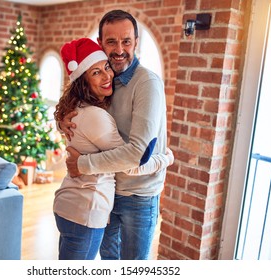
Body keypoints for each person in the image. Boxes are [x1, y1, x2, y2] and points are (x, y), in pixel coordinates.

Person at [59, 10, 170, 260]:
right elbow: (79, 111)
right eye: (111, 41)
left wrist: (82, 164)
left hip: (138, 196)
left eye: (126, 41)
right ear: (100, 43)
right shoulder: (103, 82)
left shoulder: (147, 84)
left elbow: (137, 154)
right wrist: (62, 121)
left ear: (136, 42)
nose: (119, 49)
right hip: (107, 192)